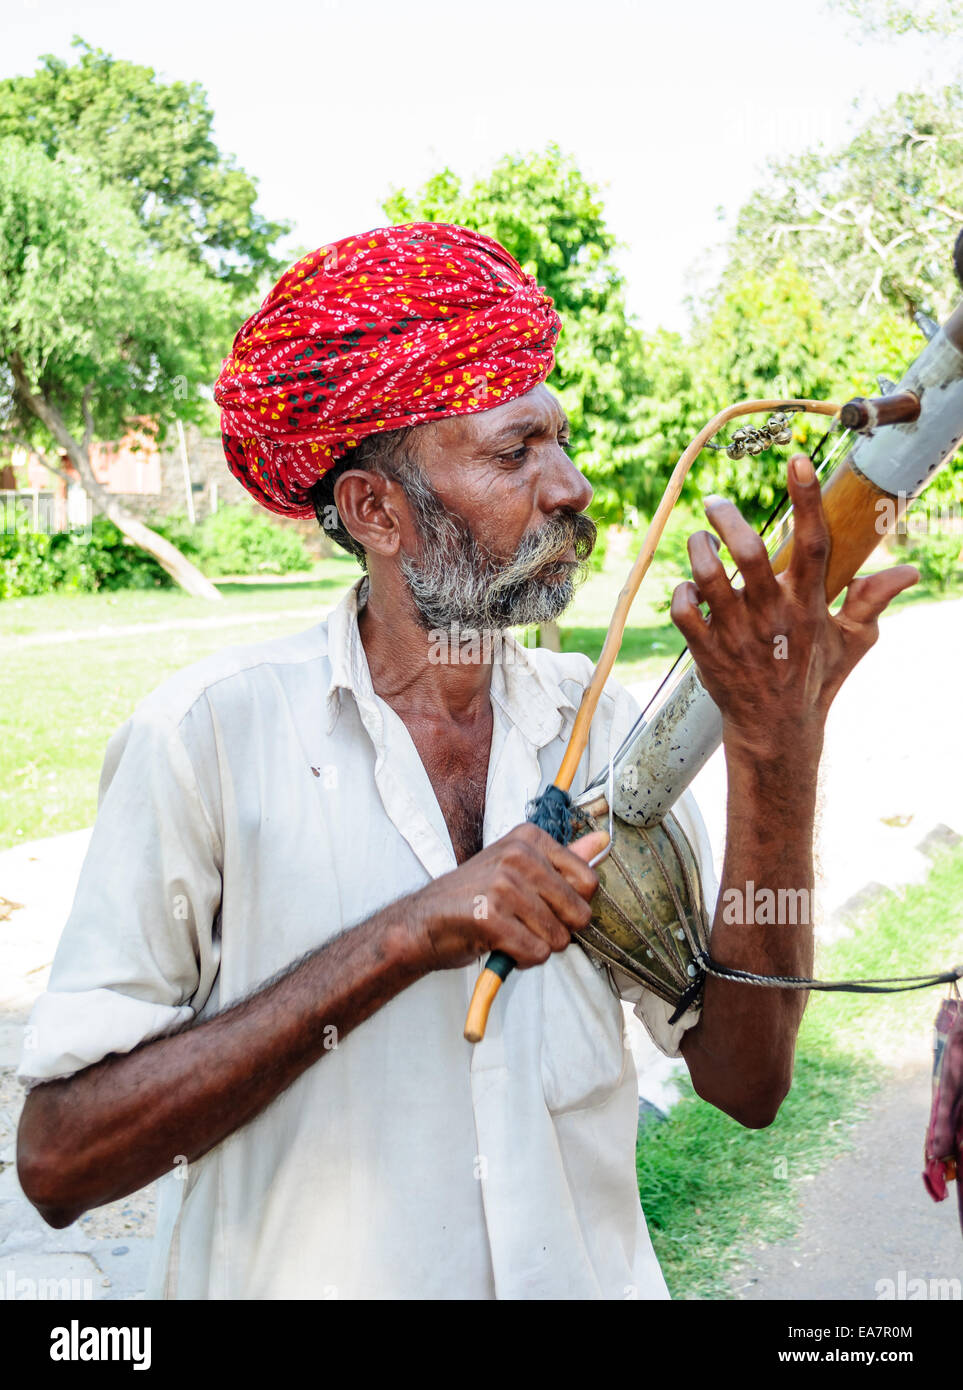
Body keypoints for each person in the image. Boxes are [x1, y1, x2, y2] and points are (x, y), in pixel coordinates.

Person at [16, 223, 916, 1299]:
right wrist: (408, 934)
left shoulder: (603, 731)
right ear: (375, 510)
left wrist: (776, 756)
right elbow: (62, 1159)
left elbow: (748, 1076)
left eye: (562, 444)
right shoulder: (208, 741)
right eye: (513, 453)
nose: (573, 486)